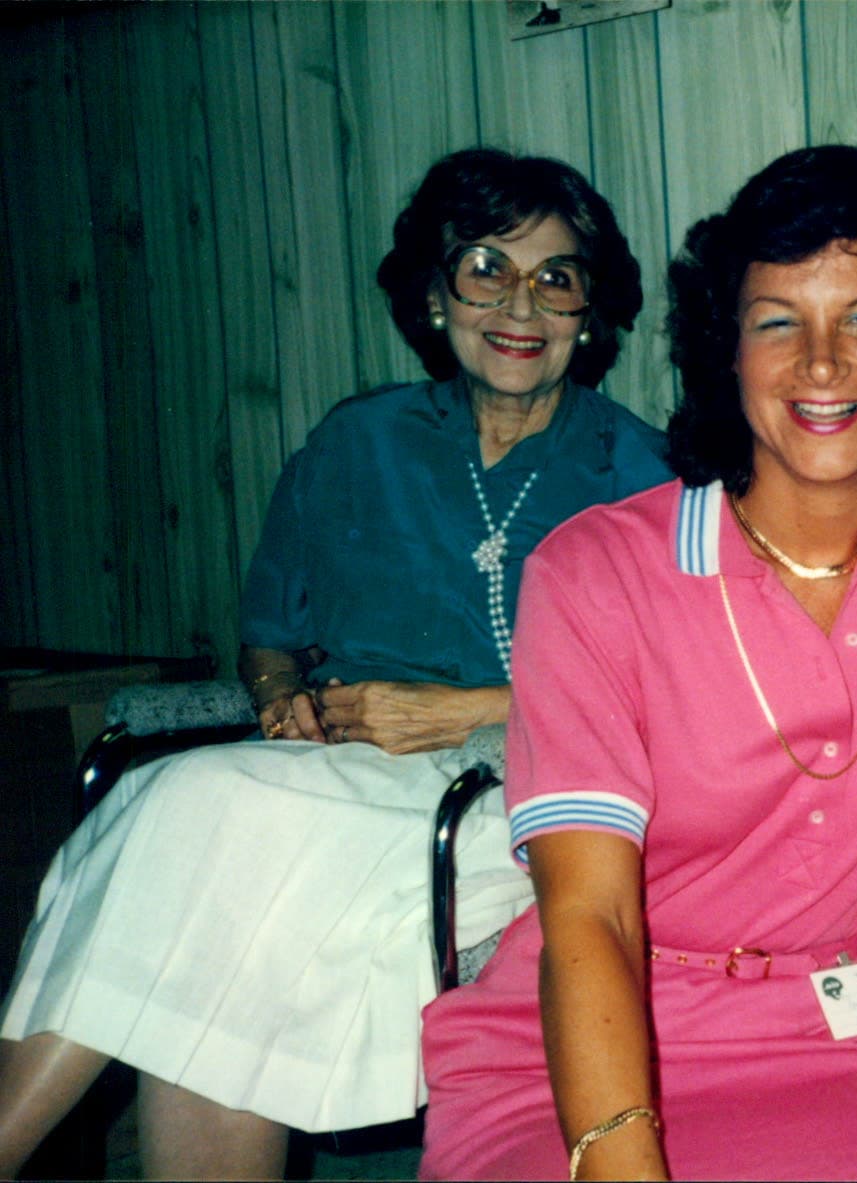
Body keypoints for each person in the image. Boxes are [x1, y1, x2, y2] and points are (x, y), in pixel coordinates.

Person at [0, 147, 671, 1180]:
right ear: (434, 291)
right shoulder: (360, 441)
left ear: (591, 308)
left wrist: (457, 714)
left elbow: (672, 692)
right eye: (484, 266)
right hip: (341, 772)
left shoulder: (641, 475)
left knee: (196, 821)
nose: (520, 304)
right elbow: (269, 626)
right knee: (198, 857)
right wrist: (276, 699)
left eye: (556, 275)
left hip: (531, 794)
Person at [418, 144, 857, 1182]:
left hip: (833, 1033)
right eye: (777, 321)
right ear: (726, 353)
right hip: (575, 1048)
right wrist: (620, 1153)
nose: (821, 362)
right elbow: (590, 908)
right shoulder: (592, 575)